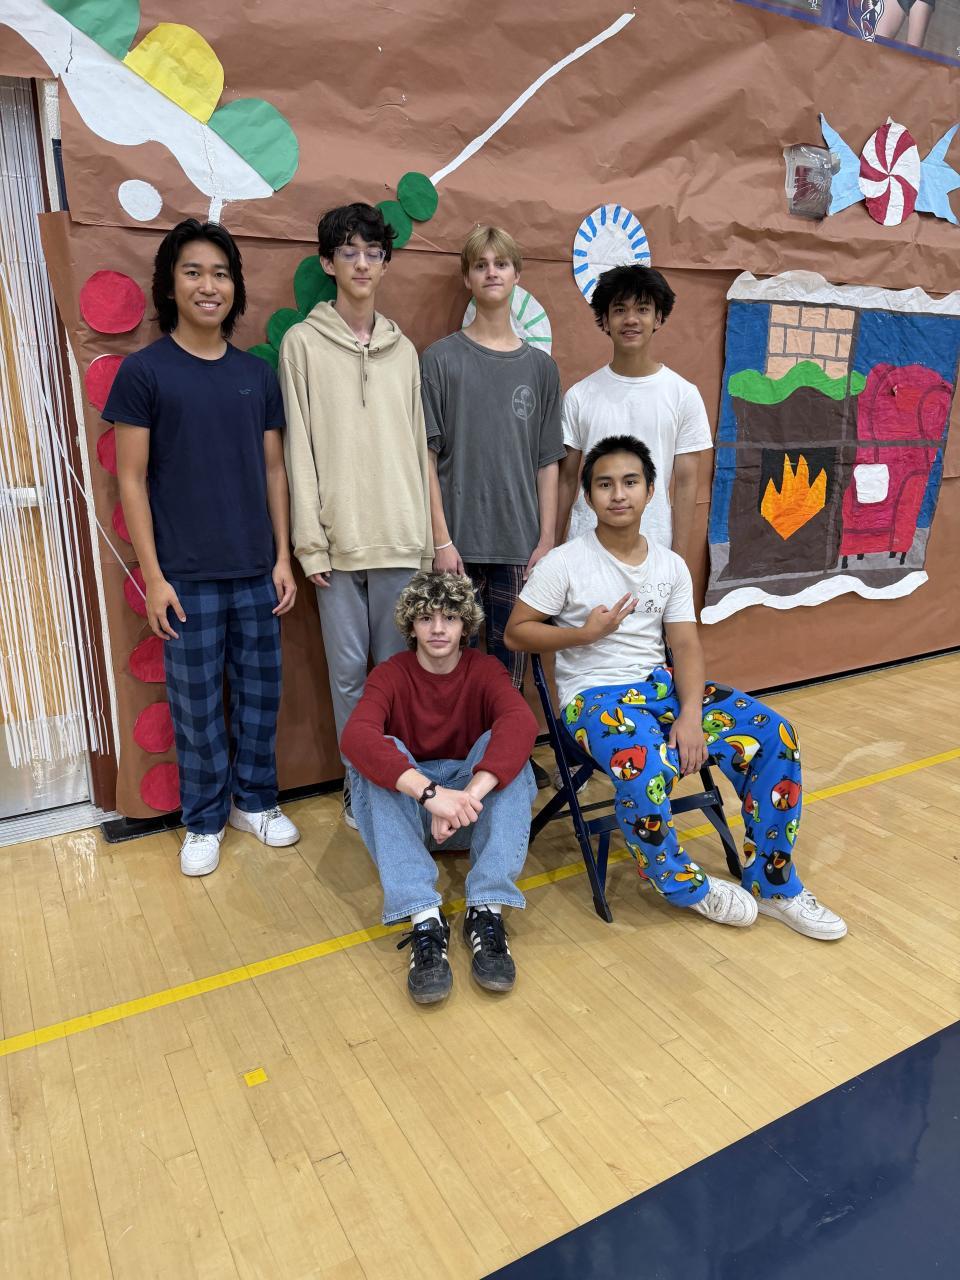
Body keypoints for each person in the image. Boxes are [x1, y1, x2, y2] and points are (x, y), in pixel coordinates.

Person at [506, 434, 847, 940]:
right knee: (642, 765)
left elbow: (685, 646)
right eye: (604, 484)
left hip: (660, 690)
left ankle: (773, 884)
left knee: (774, 734)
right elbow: (516, 632)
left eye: (630, 482)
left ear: (650, 492)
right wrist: (584, 634)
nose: (618, 494)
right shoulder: (565, 563)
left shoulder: (669, 566)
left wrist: (689, 716)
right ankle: (684, 885)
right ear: (588, 496)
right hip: (592, 699)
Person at [107, 218, 299, 876]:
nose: (208, 285)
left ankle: (257, 802)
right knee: (195, 710)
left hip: (256, 570)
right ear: (169, 285)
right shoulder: (144, 373)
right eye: (193, 272)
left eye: (220, 273)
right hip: (184, 578)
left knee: (260, 699)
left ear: (235, 287)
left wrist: (282, 557)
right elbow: (130, 479)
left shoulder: (256, 374)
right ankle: (204, 818)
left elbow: (274, 469)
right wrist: (153, 577)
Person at [279, 202, 433, 827]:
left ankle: (399, 782)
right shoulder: (302, 343)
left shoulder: (405, 350)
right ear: (328, 263)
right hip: (336, 544)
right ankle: (360, 785)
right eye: (348, 252)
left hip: (400, 536)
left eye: (373, 253)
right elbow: (298, 449)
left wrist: (427, 541)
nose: (362, 264)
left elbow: (418, 446)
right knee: (347, 677)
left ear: (386, 263)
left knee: (397, 676)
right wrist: (309, 544)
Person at [341, 571, 539, 1003]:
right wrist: (430, 796)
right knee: (378, 753)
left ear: (465, 625)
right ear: (410, 625)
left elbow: (521, 722)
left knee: (507, 746)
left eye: (449, 617)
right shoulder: (391, 674)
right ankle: (424, 917)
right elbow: (355, 736)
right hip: (410, 825)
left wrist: (465, 798)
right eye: (426, 617)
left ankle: (486, 908)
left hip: (468, 816)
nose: (437, 628)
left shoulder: (483, 669)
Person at [421, 226, 564, 790]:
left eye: (501, 263)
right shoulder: (440, 359)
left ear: (517, 275)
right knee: (450, 665)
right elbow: (427, 457)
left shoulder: (541, 369)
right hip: (456, 546)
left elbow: (548, 461)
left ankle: (506, 762)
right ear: (467, 277)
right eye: (480, 264)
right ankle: (457, 765)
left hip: (519, 546)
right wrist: (442, 540)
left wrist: (545, 540)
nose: (491, 273)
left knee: (508, 670)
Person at [555, 265, 712, 564]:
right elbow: (566, 480)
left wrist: (677, 563)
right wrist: (552, 549)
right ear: (605, 320)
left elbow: (687, 483)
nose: (630, 319)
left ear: (659, 318)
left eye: (642, 309)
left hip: (653, 553)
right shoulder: (579, 395)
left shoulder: (683, 395)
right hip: (584, 552)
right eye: (619, 309)